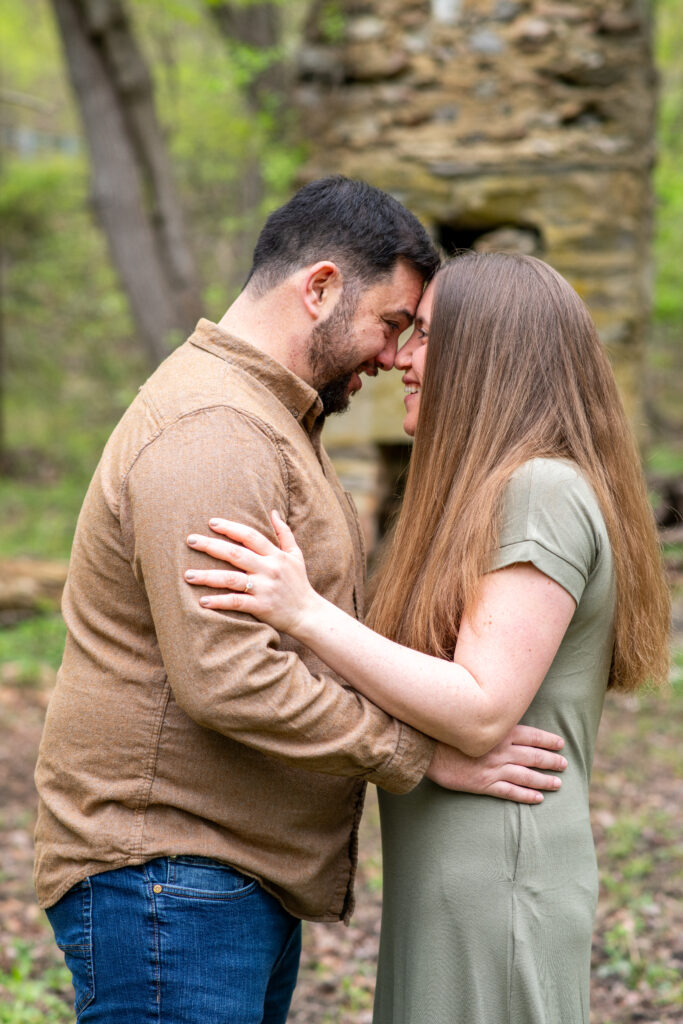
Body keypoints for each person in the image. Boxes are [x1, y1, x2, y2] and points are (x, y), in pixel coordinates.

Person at [34, 181, 568, 1024]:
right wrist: (420, 754)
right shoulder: (213, 430)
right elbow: (228, 677)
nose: (396, 358)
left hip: (218, 876)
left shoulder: (273, 421)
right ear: (318, 288)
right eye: (392, 324)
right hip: (169, 877)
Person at [184, 252, 671, 1024]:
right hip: (457, 873)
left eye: (426, 336)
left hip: (499, 878)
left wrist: (303, 610)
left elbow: (481, 708)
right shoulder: (487, 495)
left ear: (490, 356)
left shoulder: (538, 489)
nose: (401, 358)